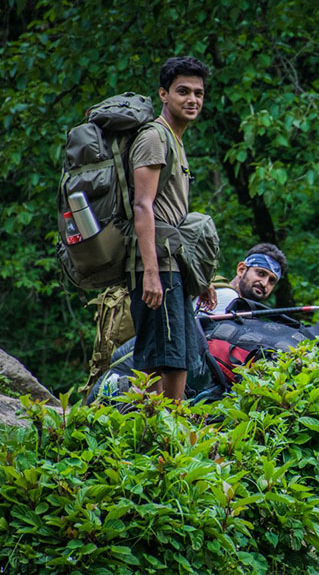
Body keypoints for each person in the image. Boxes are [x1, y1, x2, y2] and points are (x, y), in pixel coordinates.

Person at [129, 55, 215, 402]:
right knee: (161, 360)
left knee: (174, 357)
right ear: (164, 94)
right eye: (183, 91)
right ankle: (150, 438)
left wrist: (201, 278)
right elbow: (142, 205)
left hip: (173, 266)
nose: (192, 100)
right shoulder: (154, 137)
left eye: (198, 93)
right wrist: (151, 272)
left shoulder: (176, 141)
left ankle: (167, 438)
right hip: (157, 266)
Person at [206, 243, 287, 314]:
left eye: (271, 281)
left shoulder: (245, 309)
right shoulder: (228, 296)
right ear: (241, 270)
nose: (264, 283)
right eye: (261, 273)